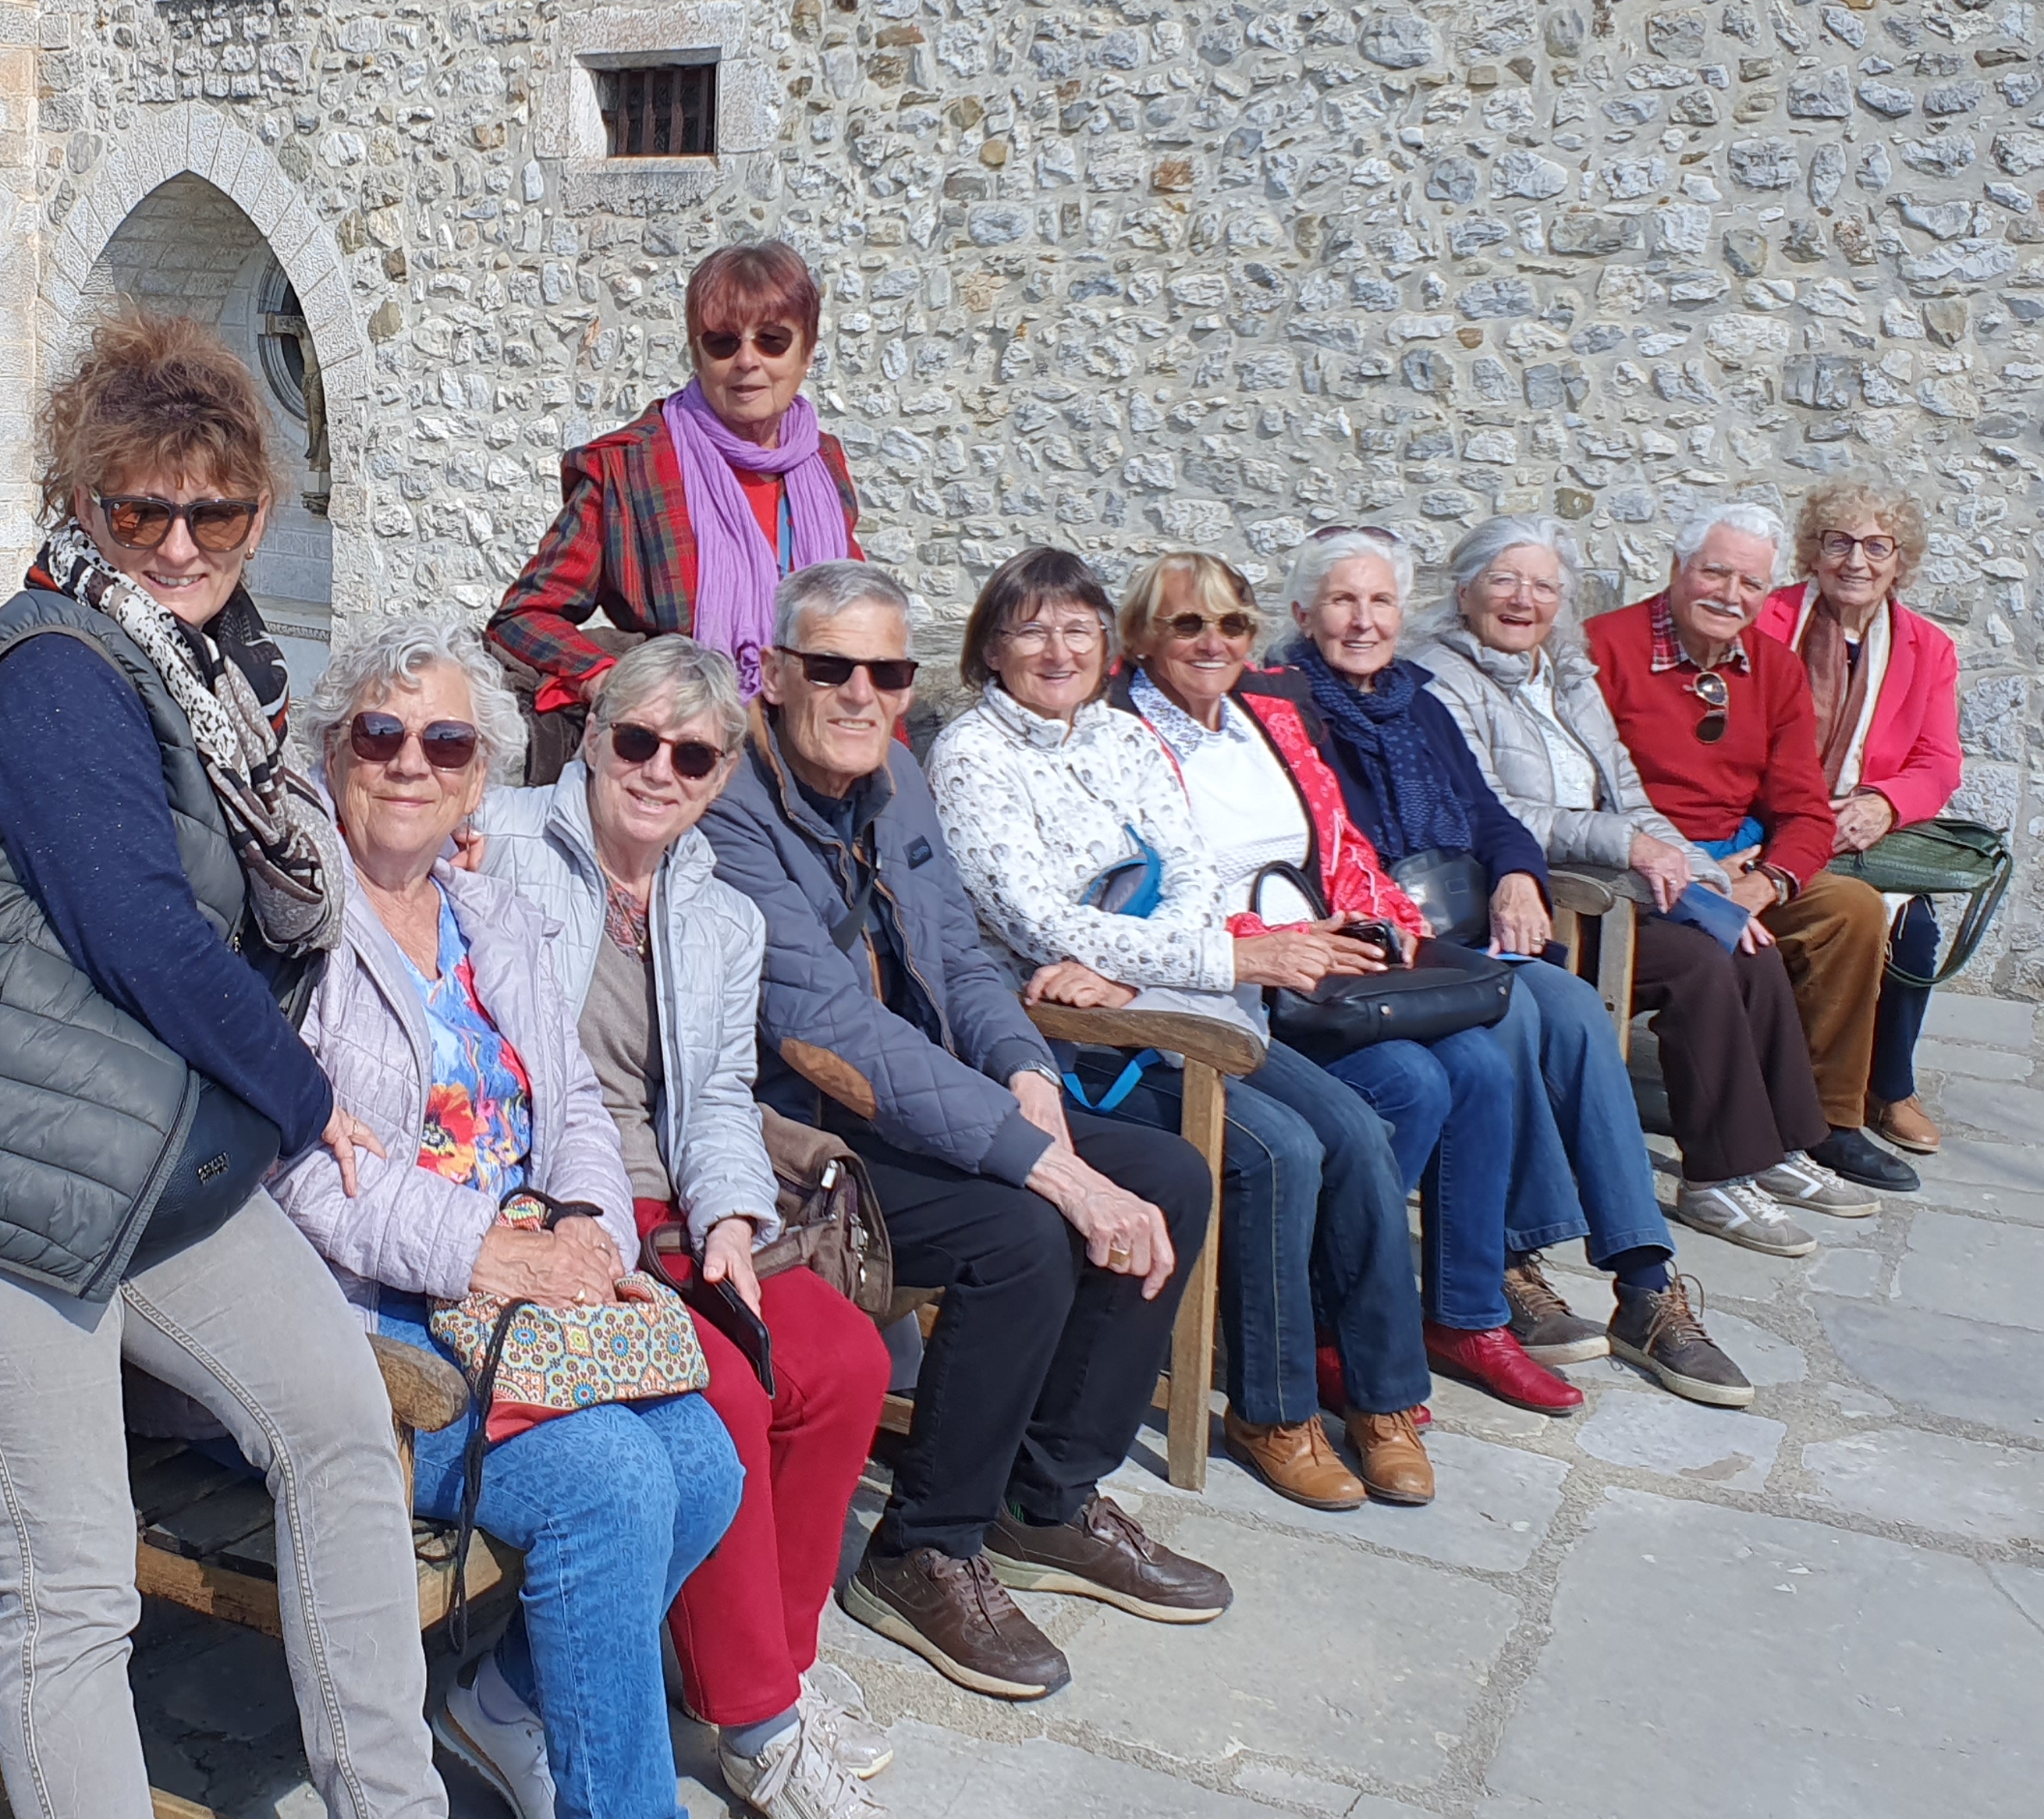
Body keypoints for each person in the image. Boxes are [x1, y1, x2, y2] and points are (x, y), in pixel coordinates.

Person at [0, 314, 446, 1818]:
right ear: (83, 508)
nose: (180, 541)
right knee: (71, 1571)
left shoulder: (203, 673)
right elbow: (143, 934)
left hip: (132, 1150)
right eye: (140, 511)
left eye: (216, 511)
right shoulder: (55, 670)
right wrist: (316, 1107)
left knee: (335, 1427)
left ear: (258, 511)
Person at [704, 560, 1228, 1707]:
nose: (858, 694)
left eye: (884, 672)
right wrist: (1041, 1161)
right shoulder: (732, 809)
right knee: (1024, 1235)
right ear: (775, 674)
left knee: (1170, 1178)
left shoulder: (895, 778)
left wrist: (1030, 1077)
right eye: (831, 667)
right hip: (806, 1138)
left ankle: (1045, 1497)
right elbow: (823, 1030)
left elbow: (960, 961)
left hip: (941, 1104)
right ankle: (922, 1549)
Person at [273, 618, 744, 1819]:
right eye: (381, 734)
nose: (411, 764)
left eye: (447, 742)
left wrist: (589, 1224)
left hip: (513, 1302)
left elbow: (575, 1096)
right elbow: (293, 1164)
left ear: (482, 772)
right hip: (366, 1326)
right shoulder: (294, 924)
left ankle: (511, 1702)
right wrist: (483, 1244)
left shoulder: (494, 917)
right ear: (334, 752)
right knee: (615, 1485)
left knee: (703, 1462)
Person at [929, 548, 1442, 1508]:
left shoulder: (1120, 739)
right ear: (991, 648)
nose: (1058, 648)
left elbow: (1197, 876)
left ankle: (1384, 1399)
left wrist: (1131, 963)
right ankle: (1274, 1409)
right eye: (1032, 629)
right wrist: (1215, 960)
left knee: (1357, 1132)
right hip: (1074, 1037)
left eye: (1078, 629)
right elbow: (1038, 922)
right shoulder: (969, 758)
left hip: (1157, 1002)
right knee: (1279, 1150)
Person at [480, 634, 895, 1817]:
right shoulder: (501, 844)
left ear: (720, 776)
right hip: (558, 1201)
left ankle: (785, 1668)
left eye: (694, 754)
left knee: (842, 1360)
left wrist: (729, 1217)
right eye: (638, 740)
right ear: (596, 736)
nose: (660, 770)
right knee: (719, 1389)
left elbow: (716, 1095)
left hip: (674, 1206)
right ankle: (758, 1725)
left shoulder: (718, 911)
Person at [1281, 529, 1732, 1412]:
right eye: (1342, 601)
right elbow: (1324, 852)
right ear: (1303, 614)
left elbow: (1490, 815)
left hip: (1464, 932)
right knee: (1516, 1018)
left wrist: (1520, 873)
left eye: (1379, 602)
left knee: (1564, 1002)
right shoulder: (1290, 709)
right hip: (1386, 947)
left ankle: (1645, 1281)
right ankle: (1500, 1278)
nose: (1363, 621)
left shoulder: (1417, 703)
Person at [1415, 518, 1847, 1272]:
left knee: (1743, 940)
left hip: (1606, 883)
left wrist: (1706, 879)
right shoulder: (1437, 678)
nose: (1525, 601)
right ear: (1463, 590)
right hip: (1532, 899)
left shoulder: (1565, 673)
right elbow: (1491, 810)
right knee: (1696, 964)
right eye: (1505, 582)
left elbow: (1629, 794)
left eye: (1544, 586)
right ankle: (1716, 1176)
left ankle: (1775, 1144)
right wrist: (1631, 846)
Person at [1589, 507, 1916, 1196]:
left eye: (1751, 583)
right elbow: (1583, 800)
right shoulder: (1604, 651)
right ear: (1678, 570)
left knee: (1851, 909)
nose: (1730, 595)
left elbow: (1803, 808)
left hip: (1740, 868)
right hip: (1639, 870)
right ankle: (1741, 1143)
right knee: (1726, 949)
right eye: (1714, 571)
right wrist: (1698, 876)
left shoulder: (1773, 668)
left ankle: (1826, 1126)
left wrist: (1764, 883)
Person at [488, 243, 860, 748]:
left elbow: (859, 622)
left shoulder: (824, 463)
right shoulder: (628, 469)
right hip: (695, 756)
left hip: (826, 743)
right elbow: (523, 617)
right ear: (697, 352)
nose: (747, 361)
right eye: (723, 343)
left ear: (808, 352)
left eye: (772, 340)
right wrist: (608, 679)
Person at [1760, 481, 1967, 1159]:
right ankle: (1794, 1079)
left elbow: (1938, 762)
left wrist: (1883, 803)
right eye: (1839, 541)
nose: (1857, 560)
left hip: (1861, 824)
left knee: (1915, 925)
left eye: (1877, 545)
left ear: (1899, 560)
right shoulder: (1769, 620)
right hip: (1770, 818)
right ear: (1812, 552)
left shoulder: (1927, 647)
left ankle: (1890, 1086)